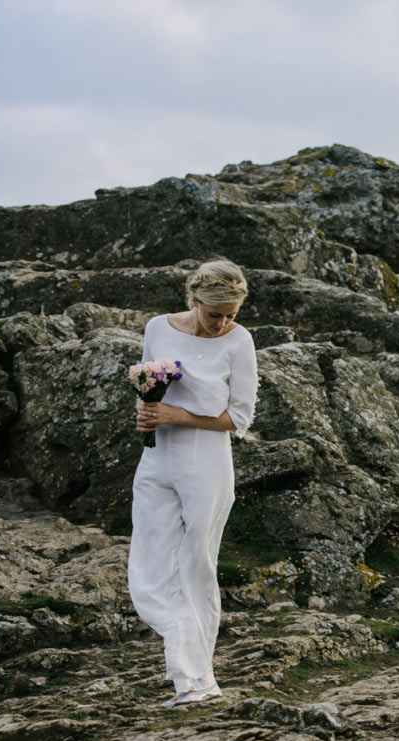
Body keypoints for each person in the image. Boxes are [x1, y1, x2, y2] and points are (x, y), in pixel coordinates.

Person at [128, 258, 259, 708]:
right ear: (193, 299)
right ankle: (191, 668)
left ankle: (194, 682)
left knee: (197, 566)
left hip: (206, 460)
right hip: (157, 457)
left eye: (230, 315)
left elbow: (239, 417)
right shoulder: (157, 327)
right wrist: (147, 412)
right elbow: (149, 382)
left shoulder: (240, 342)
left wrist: (178, 415)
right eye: (213, 313)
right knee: (149, 567)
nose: (221, 323)